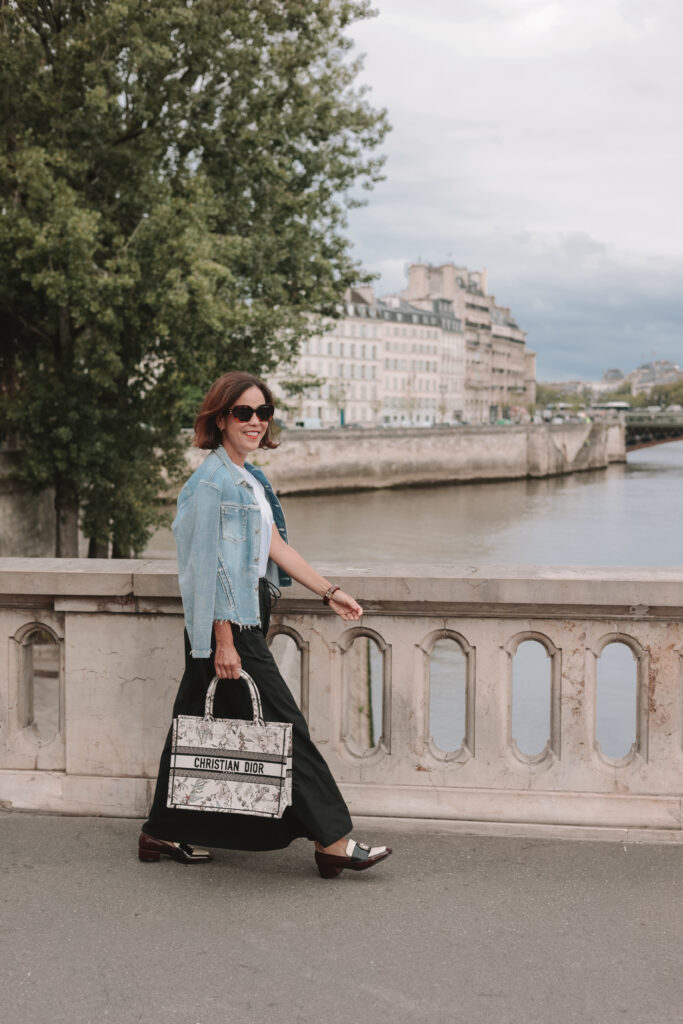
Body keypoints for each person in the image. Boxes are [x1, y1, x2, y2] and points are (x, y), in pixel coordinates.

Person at [139, 371, 391, 878]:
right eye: (243, 413)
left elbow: (273, 546)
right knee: (283, 724)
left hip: (244, 611)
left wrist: (330, 591)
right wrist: (224, 640)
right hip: (228, 621)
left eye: (263, 412)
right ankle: (333, 839)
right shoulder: (209, 483)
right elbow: (202, 568)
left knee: (194, 714)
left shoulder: (248, 477)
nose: (255, 422)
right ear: (220, 419)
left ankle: (160, 832)